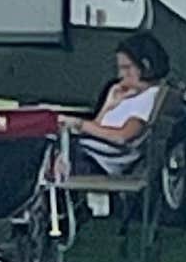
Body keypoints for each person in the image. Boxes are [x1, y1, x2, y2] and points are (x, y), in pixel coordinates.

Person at [63, 34, 168, 181]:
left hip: (95, 161)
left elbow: (122, 137)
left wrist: (79, 124)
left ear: (145, 66)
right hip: (90, 153)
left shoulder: (148, 98)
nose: (120, 75)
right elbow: (97, 127)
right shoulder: (131, 96)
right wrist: (109, 104)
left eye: (126, 68)